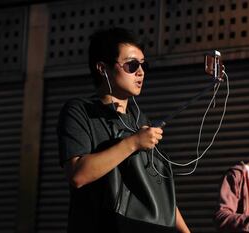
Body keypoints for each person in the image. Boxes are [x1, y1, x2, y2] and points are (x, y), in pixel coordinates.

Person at [57, 27, 190, 233]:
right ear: (103, 68)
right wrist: (133, 143)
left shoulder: (140, 121)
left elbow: (158, 191)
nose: (141, 72)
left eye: (144, 65)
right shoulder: (79, 111)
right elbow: (78, 175)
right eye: (131, 65)